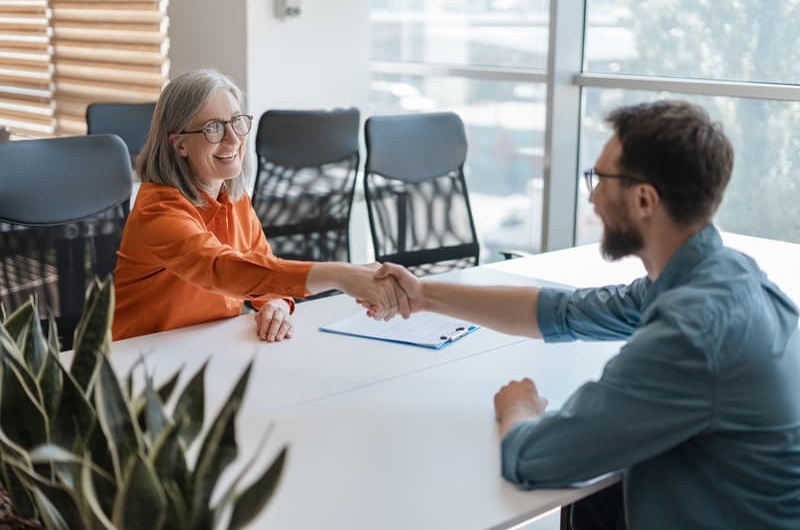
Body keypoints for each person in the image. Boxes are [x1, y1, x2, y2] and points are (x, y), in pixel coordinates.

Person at [373, 100, 800, 529]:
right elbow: (563, 312)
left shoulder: (690, 334)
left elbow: (532, 458)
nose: (593, 196)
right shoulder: (720, 274)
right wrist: (423, 294)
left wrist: (519, 407)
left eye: (601, 180)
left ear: (645, 199)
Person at [113, 69, 407, 341]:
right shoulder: (158, 212)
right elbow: (222, 269)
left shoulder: (235, 199)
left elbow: (262, 272)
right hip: (138, 362)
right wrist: (342, 275)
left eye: (237, 122)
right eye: (213, 128)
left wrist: (276, 304)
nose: (233, 139)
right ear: (179, 145)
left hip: (207, 349)